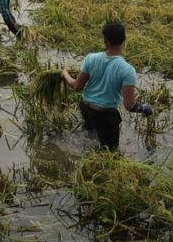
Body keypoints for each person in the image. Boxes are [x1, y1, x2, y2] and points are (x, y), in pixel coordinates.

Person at [62, 22, 152, 151]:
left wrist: (65, 74)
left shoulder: (90, 58)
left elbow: (77, 86)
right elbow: (129, 105)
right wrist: (144, 108)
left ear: (105, 40)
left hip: (86, 107)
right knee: (110, 151)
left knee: (90, 135)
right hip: (105, 115)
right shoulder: (127, 70)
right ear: (124, 40)